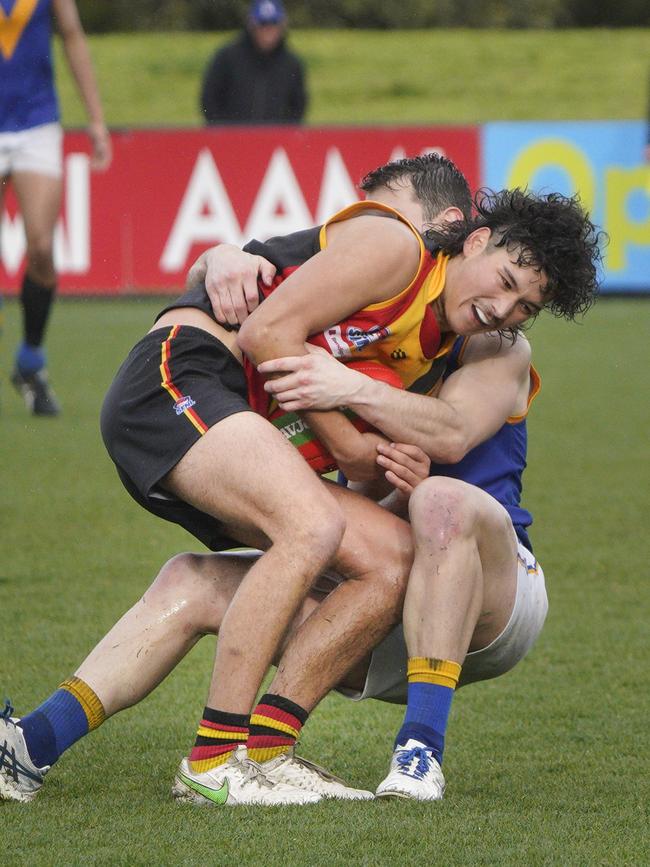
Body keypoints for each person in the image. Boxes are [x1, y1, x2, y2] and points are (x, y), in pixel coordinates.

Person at [0, 158, 601, 805]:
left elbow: (404, 422)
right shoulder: (399, 246)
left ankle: (43, 745)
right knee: (311, 526)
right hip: (183, 375)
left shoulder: (440, 345)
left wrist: (366, 452)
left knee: (383, 560)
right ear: (471, 237)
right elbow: (267, 326)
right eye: (506, 281)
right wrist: (223, 259)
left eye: (524, 306)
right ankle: (212, 760)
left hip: (237, 415)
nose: (504, 308)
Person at [0, 0, 112, 416]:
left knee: (42, 248)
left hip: (36, 121)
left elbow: (72, 36)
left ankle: (30, 362)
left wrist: (96, 119)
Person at [200, 0, 307, 126]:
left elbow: (298, 106)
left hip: (274, 141)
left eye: (273, 24)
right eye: (263, 24)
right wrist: (222, 133)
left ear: (282, 25)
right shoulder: (227, 58)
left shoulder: (292, 64)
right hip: (232, 139)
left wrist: (283, 135)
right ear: (251, 24)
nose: (268, 30)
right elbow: (210, 99)